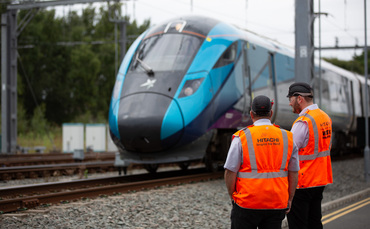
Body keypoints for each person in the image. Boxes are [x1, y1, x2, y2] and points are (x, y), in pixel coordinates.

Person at [224, 95, 299, 229]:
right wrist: (290, 198)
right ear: (271, 113)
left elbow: (230, 171)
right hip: (277, 202)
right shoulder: (287, 137)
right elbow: (293, 171)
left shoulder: (242, 137)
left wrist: (232, 195)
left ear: (251, 114)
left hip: (246, 202)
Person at [286, 82, 333, 229]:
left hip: (303, 181)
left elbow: (289, 152)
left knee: (298, 224)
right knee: (314, 222)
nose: (289, 103)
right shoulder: (325, 117)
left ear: (299, 99)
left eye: (291, 99)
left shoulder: (303, 122)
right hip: (320, 179)